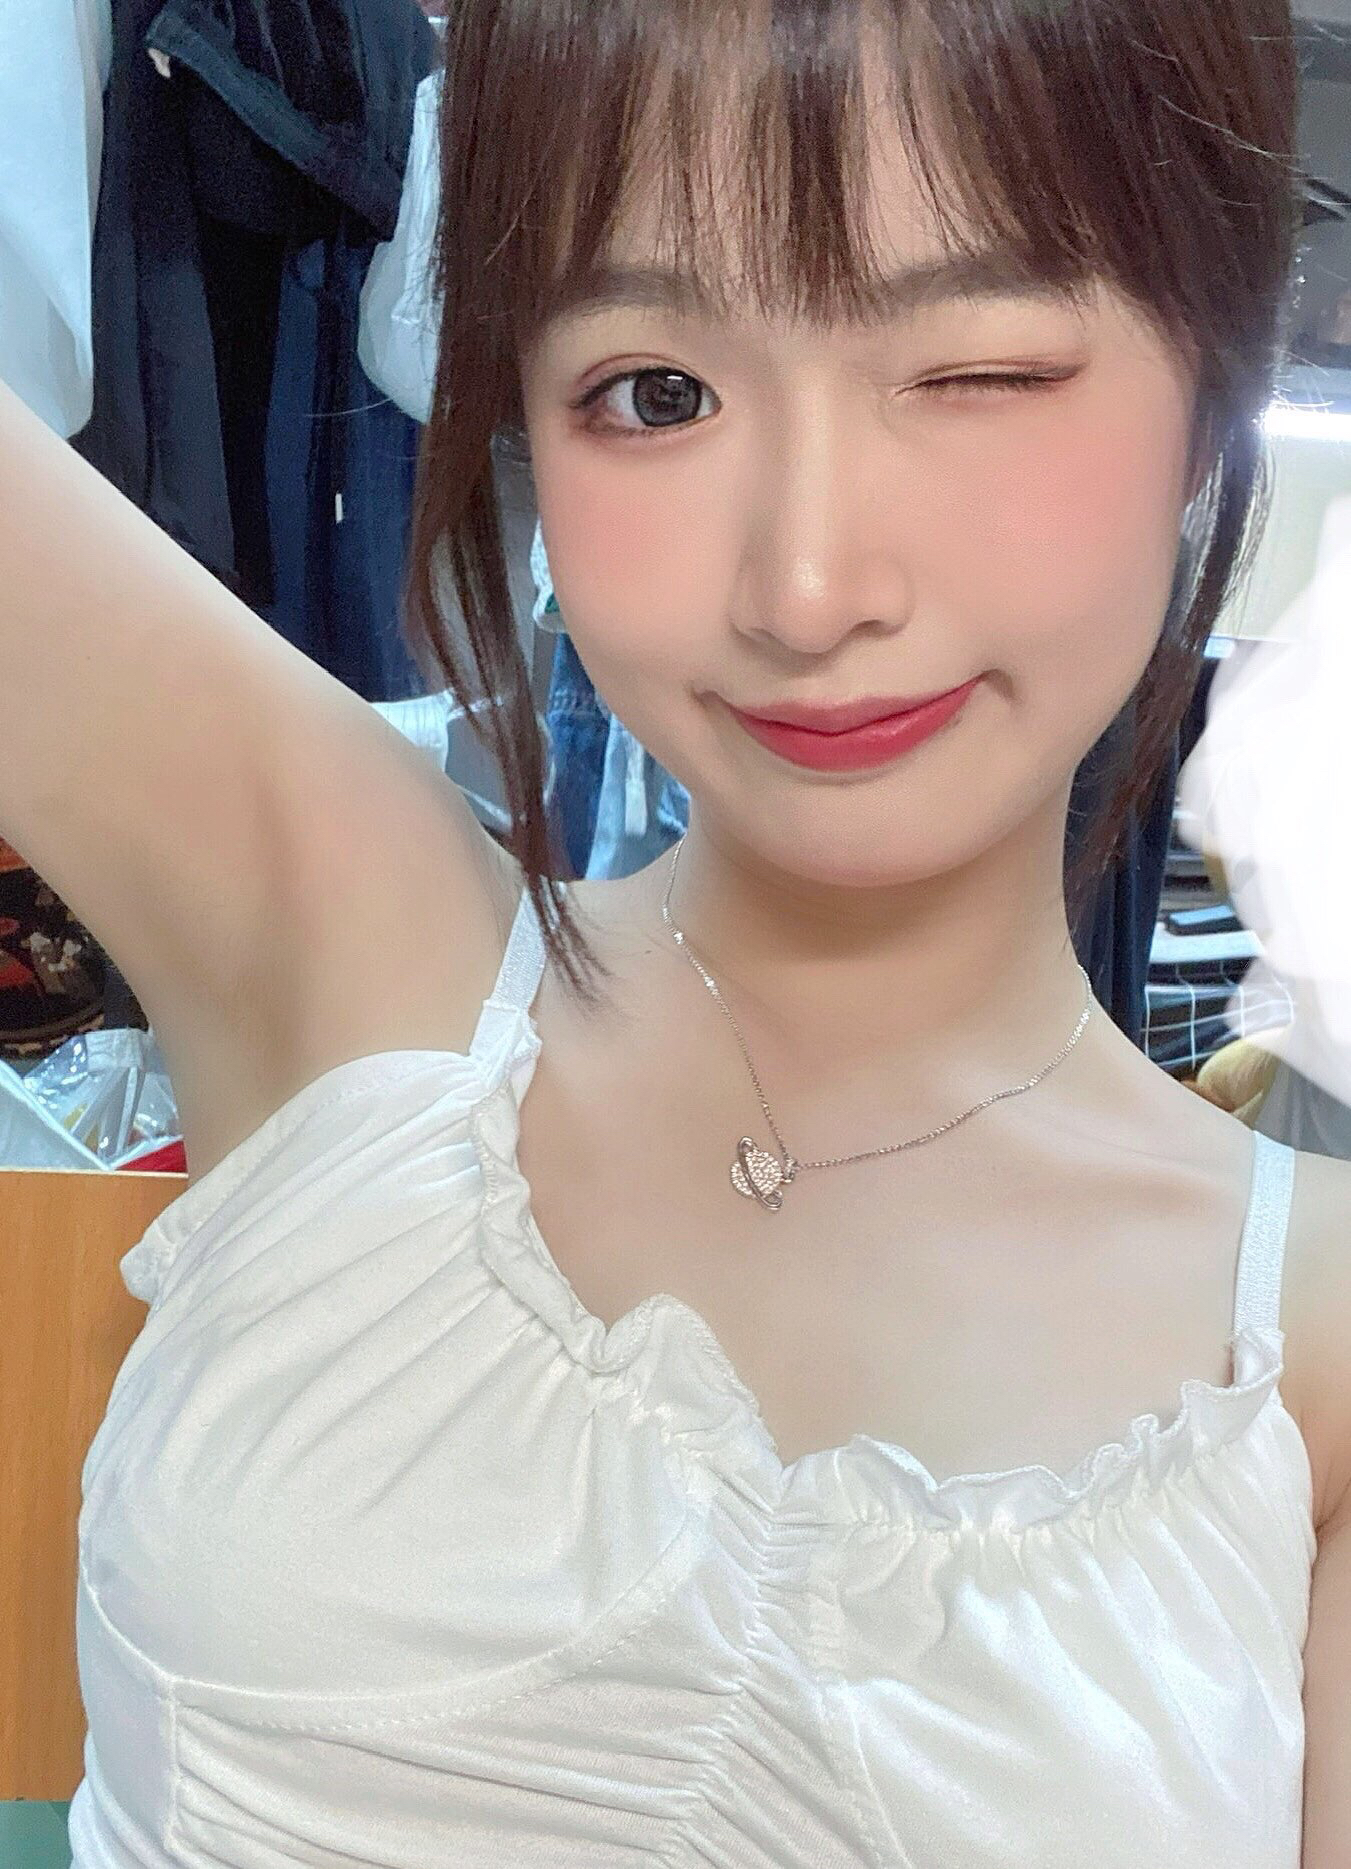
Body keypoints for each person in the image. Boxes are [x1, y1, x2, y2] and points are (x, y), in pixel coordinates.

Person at [2, 1, 1349, 1864]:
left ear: (1212, 380)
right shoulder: (348, 929)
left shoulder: (1310, 1338)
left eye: (975, 371)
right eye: (656, 392)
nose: (807, 585)